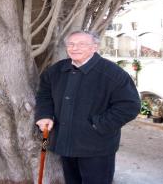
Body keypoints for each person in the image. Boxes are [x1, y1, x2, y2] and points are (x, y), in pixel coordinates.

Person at [35, 31, 141, 184]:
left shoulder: (113, 74)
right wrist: (44, 114)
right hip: (65, 143)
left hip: (96, 147)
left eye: (81, 44)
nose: (75, 48)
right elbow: (44, 94)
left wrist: (97, 125)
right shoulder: (56, 70)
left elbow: (130, 106)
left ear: (94, 47)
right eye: (71, 44)